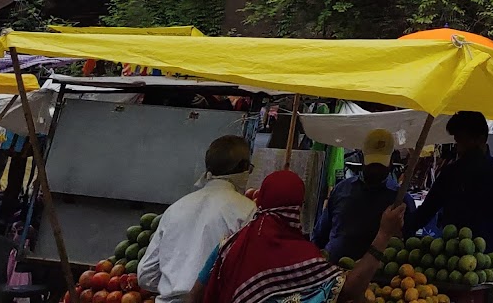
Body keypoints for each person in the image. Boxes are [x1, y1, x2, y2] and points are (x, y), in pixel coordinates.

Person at [194, 170, 402, 303]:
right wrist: (383, 235)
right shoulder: (302, 257)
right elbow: (348, 289)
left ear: (260, 200)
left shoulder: (229, 245)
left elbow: (195, 295)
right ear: (298, 208)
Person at [139, 136, 258, 303]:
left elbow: (146, 274)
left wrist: (174, 286)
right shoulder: (247, 210)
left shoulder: (176, 208)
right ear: (244, 167)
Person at [404, 112, 493, 258]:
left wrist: (492, 252)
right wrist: (397, 228)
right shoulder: (450, 174)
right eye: (457, 142)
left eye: (463, 142)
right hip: (449, 259)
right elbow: (425, 213)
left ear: (481, 139)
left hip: (483, 261)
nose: (459, 149)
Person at [312, 129, 400, 262]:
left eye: (380, 165)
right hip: (334, 268)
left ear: (392, 161)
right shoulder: (341, 190)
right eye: (372, 164)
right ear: (362, 158)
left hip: (377, 272)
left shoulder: (399, 200)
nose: (375, 170)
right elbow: (320, 235)